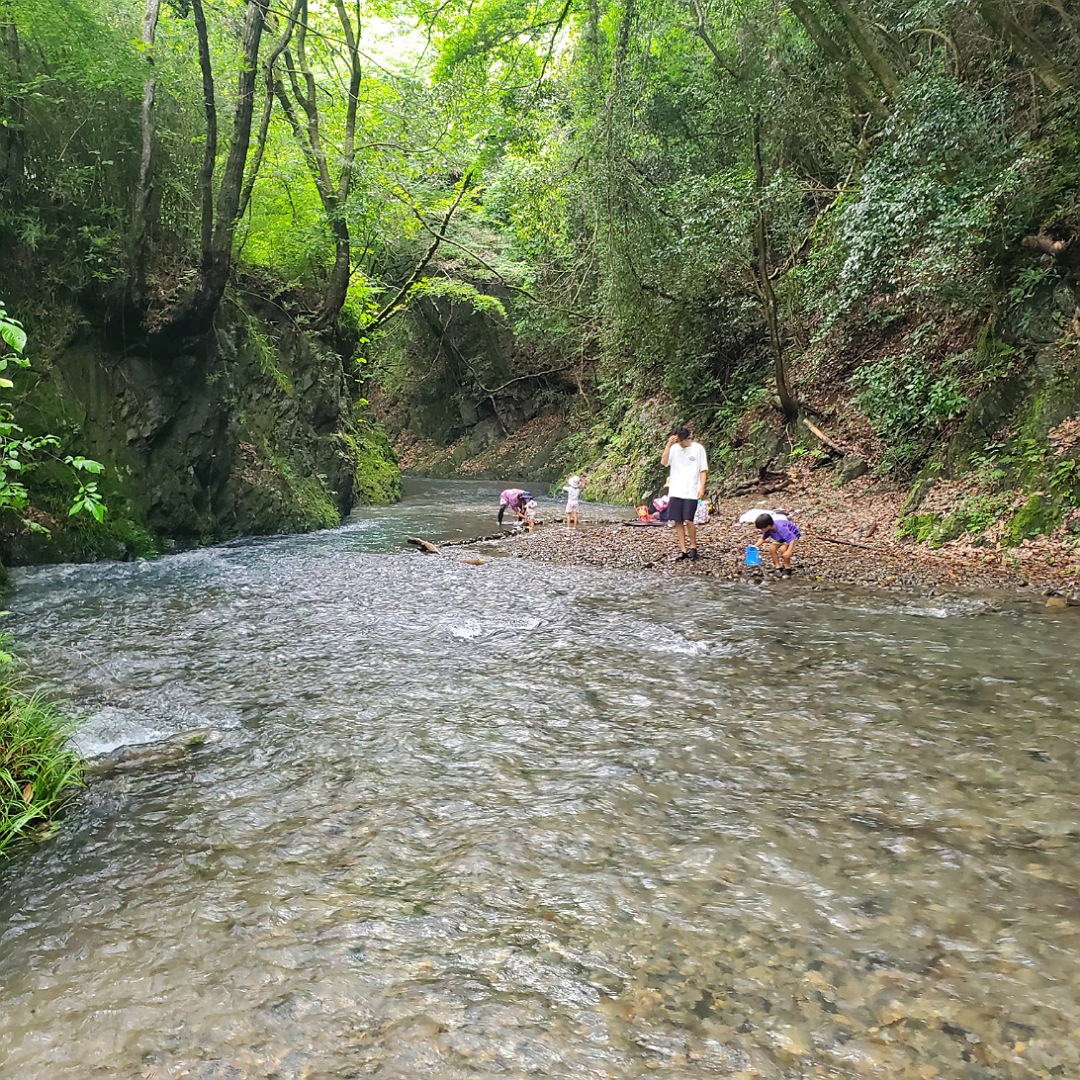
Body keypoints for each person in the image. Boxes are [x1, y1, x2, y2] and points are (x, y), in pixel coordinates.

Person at [661, 426, 709, 561]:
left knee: (688, 519)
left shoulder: (698, 449)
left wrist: (702, 487)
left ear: (687, 437)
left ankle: (693, 546)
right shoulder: (674, 448)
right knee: (677, 520)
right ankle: (683, 549)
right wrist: (668, 445)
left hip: (691, 490)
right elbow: (664, 462)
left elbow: (703, 469)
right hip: (676, 490)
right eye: (677, 440)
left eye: (681, 440)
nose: (680, 443)